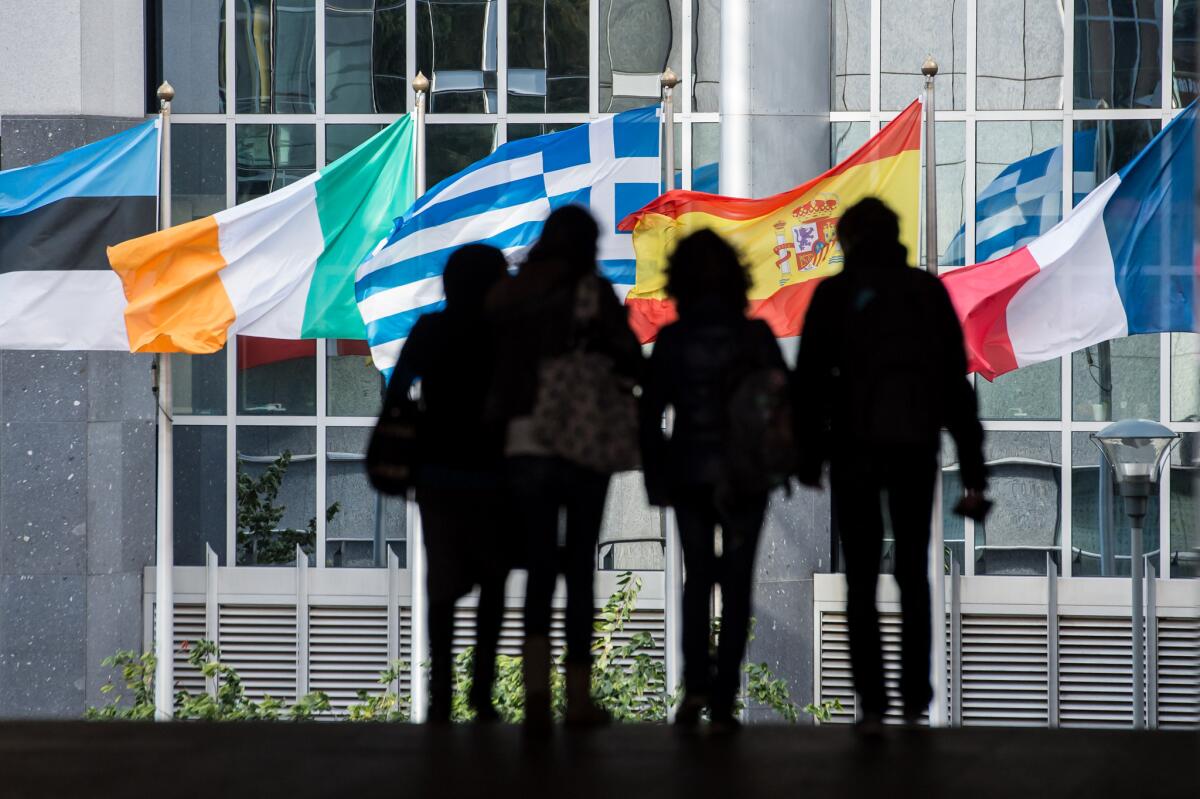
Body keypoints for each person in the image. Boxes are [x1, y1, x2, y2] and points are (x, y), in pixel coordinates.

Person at [794, 198, 988, 731]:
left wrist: (807, 454)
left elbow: (809, 384)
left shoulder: (833, 295)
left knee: (860, 576)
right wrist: (973, 473)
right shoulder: (926, 293)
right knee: (912, 573)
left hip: (854, 451)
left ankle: (872, 699)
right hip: (913, 448)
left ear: (848, 239)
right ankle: (914, 695)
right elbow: (955, 385)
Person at [487, 205, 643, 730]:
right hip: (582, 445)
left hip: (523, 447)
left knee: (535, 572)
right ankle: (577, 699)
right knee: (579, 568)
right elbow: (631, 360)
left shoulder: (512, 293)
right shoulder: (591, 292)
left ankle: (534, 698)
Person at [639, 229, 788, 732]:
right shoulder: (758, 337)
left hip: (689, 473)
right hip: (746, 474)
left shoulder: (674, 341)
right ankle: (725, 696)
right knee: (739, 580)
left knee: (697, 578)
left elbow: (648, 416)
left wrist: (656, 476)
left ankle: (695, 687)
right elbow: (784, 407)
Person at [387, 243, 511, 724]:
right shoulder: (504, 333)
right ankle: (481, 693)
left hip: (438, 472)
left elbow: (397, 388)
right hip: (495, 472)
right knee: (493, 585)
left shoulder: (431, 330)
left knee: (442, 586)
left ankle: (441, 696)